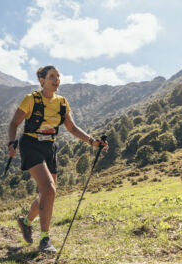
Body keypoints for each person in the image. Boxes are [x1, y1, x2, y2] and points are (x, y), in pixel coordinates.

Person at [7, 65, 108, 253]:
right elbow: (14, 123)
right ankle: (45, 240)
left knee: (50, 193)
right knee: (48, 188)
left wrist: (92, 141)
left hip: (50, 148)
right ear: (42, 80)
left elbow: (72, 128)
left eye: (58, 77)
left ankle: (26, 221)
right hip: (31, 145)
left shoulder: (62, 102)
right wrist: (12, 143)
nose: (57, 80)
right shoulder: (31, 100)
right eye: (52, 76)